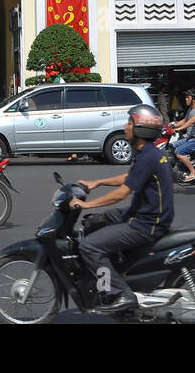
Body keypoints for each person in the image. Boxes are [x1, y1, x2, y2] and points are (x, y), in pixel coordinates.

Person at [71, 104, 175, 313]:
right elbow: (130, 177)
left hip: (146, 224)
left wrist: (85, 204)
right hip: (145, 214)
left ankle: (119, 292)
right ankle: (114, 270)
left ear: (141, 130)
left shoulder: (147, 156)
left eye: (130, 122)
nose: (125, 126)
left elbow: (122, 193)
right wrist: (97, 182)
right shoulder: (149, 152)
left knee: (89, 247)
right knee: (95, 222)